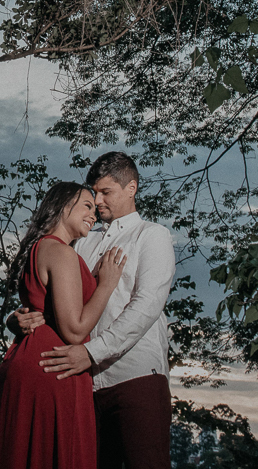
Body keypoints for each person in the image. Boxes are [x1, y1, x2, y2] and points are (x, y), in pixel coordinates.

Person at [15, 152, 176, 469]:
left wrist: (90, 353)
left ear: (131, 188)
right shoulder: (82, 242)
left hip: (136, 375)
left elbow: (146, 306)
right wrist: (17, 317)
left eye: (106, 192)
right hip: (84, 383)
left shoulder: (151, 236)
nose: (97, 200)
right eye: (94, 192)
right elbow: (59, 300)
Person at [0, 181, 127, 469]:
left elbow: (39, 308)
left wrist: (14, 319)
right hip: (53, 369)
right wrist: (106, 285)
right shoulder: (61, 252)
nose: (93, 214)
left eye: (95, 210)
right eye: (87, 206)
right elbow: (74, 330)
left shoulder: (39, 249)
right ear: (62, 207)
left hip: (30, 362)